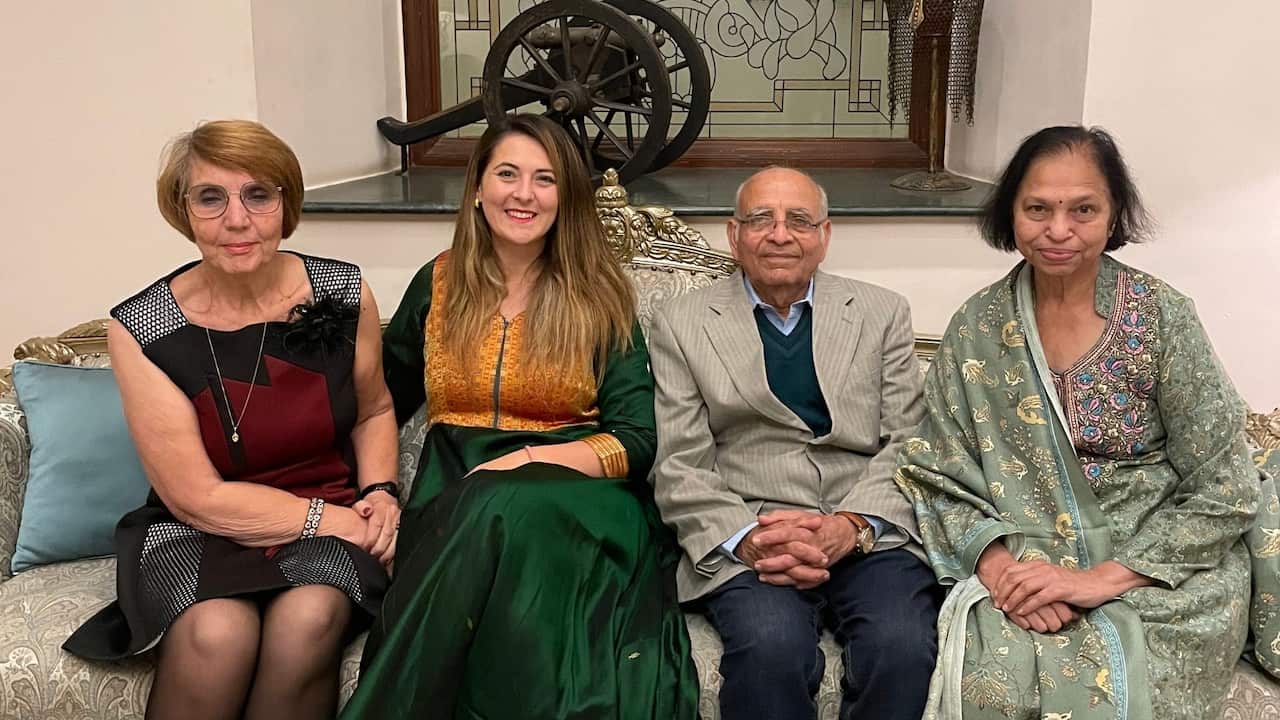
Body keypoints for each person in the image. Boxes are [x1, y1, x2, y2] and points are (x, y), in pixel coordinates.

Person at [894, 126, 1266, 719]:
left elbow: (1225, 485)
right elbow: (935, 474)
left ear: (1114, 213)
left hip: (1156, 572)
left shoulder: (1161, 317)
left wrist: (1099, 581)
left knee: (1133, 677)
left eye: (1083, 209)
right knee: (997, 677)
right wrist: (1003, 574)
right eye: (1037, 208)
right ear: (1010, 212)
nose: (1059, 230)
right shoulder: (976, 328)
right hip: (1024, 561)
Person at [342, 114, 699, 719]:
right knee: (487, 524)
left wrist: (529, 461)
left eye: (545, 179)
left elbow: (638, 440)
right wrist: (373, 491)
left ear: (566, 198)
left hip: (579, 503)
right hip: (454, 505)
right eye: (507, 174)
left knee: (499, 504)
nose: (524, 194)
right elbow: (377, 403)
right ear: (478, 188)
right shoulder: (438, 284)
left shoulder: (600, 296)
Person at [63, 120, 398, 719]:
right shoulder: (144, 327)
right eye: (210, 198)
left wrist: (380, 492)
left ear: (284, 204)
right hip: (202, 524)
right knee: (217, 633)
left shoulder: (343, 290)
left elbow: (373, 409)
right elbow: (196, 497)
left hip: (329, 500)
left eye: (258, 195)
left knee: (310, 615)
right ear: (183, 212)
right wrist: (339, 523)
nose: (237, 220)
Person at [648, 166, 942, 720]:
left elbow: (911, 441)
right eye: (761, 218)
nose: (780, 233)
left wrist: (852, 526)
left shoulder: (881, 313)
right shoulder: (681, 322)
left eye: (799, 220)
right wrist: (749, 539)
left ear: (824, 237)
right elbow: (679, 460)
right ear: (734, 236)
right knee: (769, 648)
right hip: (753, 528)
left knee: (900, 647)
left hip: (865, 527)